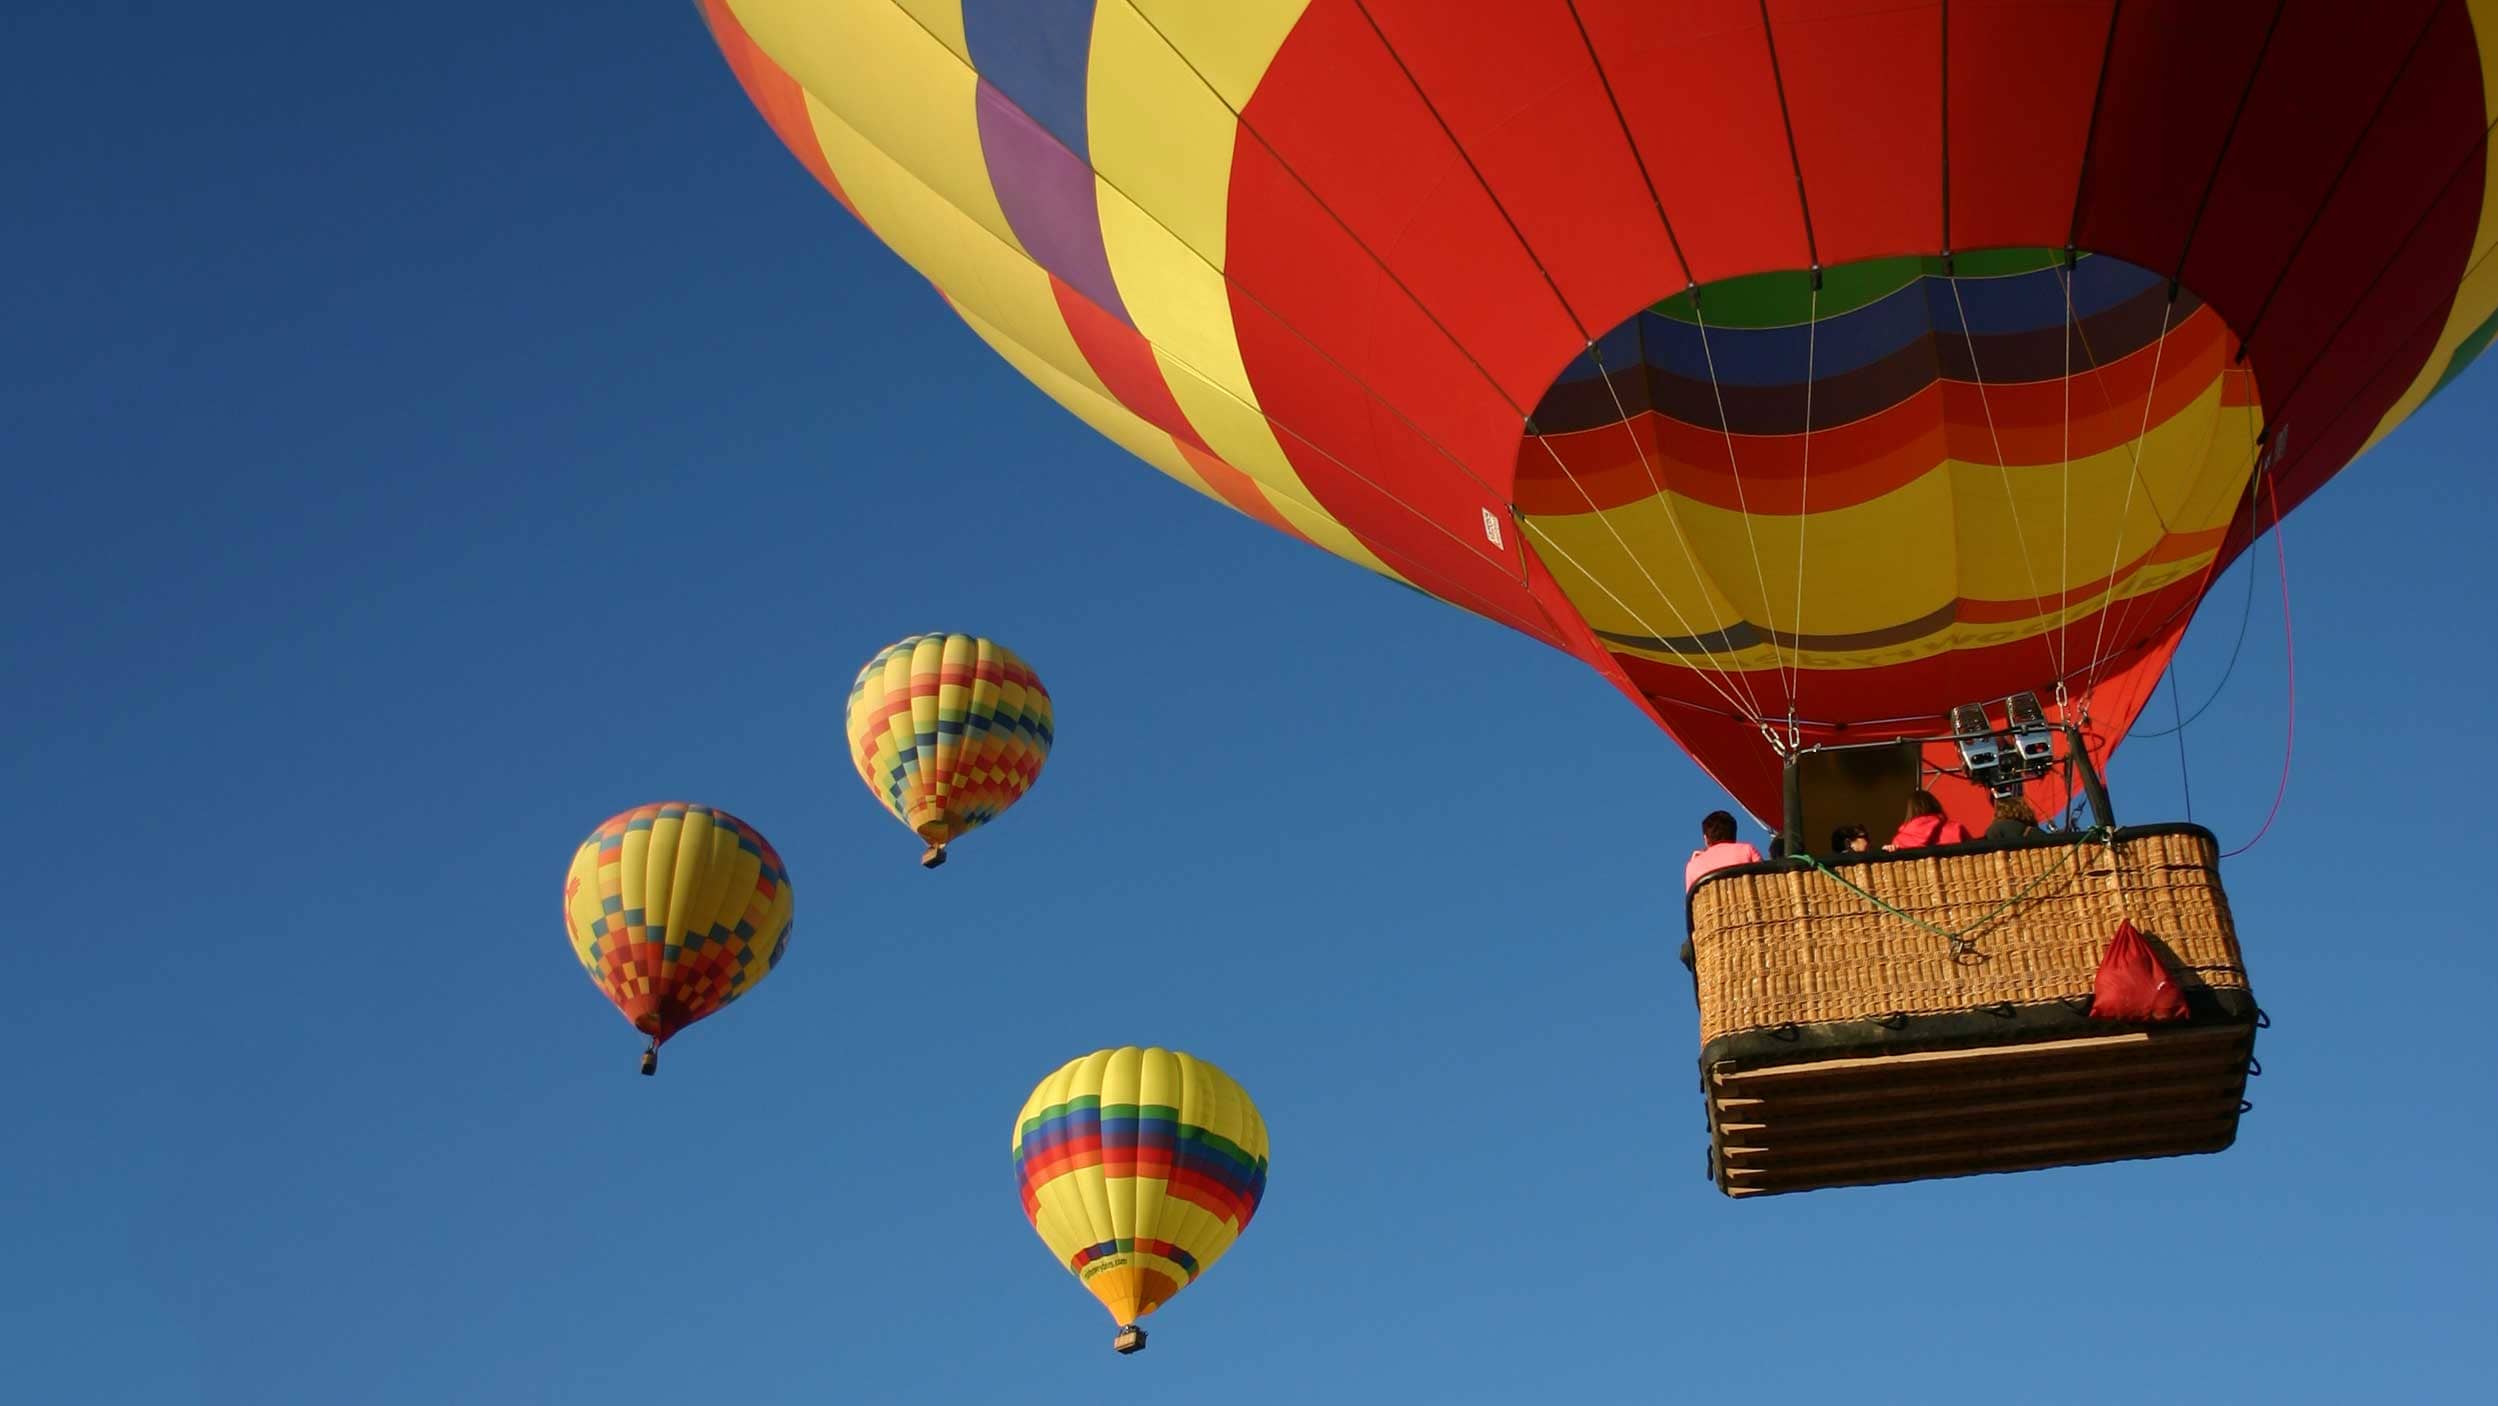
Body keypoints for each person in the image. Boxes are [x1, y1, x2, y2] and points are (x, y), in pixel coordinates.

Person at [1684, 810, 1763, 890]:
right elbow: (1765, 878)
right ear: (1734, 834)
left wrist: (1695, 861)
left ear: (1706, 838)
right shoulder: (1747, 849)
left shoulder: (1693, 866)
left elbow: (1692, 900)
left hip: (1712, 902)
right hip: (1748, 899)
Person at [1886, 789, 1974, 850]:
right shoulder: (1956, 829)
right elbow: (1975, 853)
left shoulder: (1899, 841)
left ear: (1910, 811)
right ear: (1935, 805)